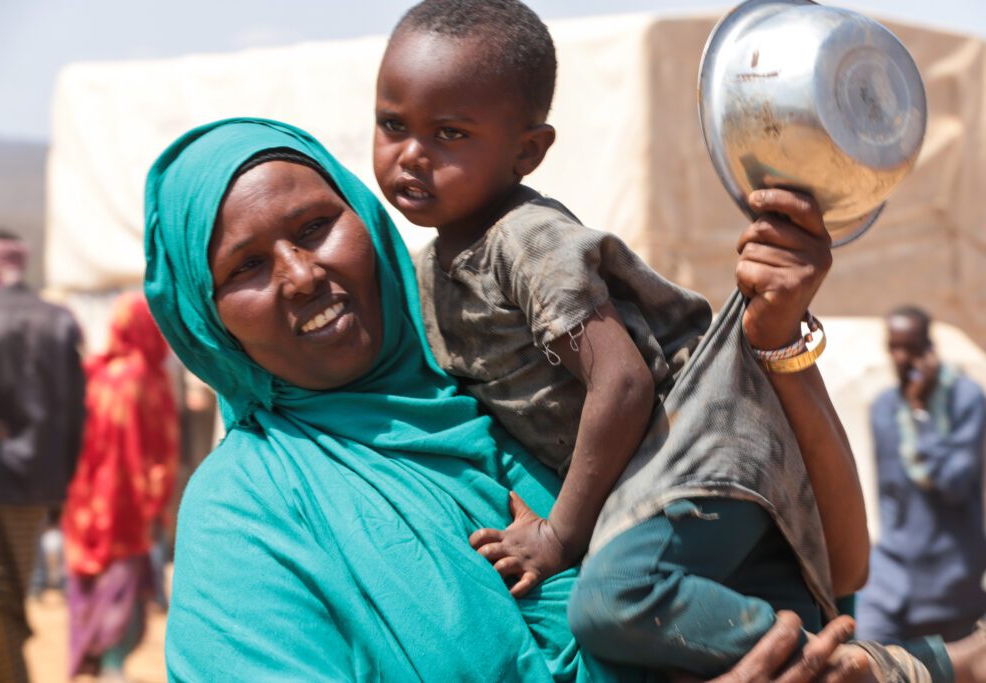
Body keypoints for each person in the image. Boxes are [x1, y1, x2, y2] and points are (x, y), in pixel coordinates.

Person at [142, 117, 986, 683]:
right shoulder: (246, 514)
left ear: (364, 216)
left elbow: (838, 564)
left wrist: (779, 344)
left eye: (315, 226)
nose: (301, 274)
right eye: (244, 269)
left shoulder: (503, 385)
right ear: (206, 321)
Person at [373, 1, 868, 676]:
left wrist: (559, 534)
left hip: (698, 446)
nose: (411, 155)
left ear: (528, 151)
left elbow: (625, 383)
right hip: (663, 485)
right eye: (393, 125)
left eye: (450, 134)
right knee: (781, 615)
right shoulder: (432, 271)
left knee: (614, 599)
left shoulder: (526, 240)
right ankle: (918, 658)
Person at [0, 228, 86, 683]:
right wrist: (64, 484)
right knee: (8, 593)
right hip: (40, 482)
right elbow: (76, 411)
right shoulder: (58, 320)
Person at [61, 291, 178, 682]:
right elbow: (148, 451)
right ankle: (111, 662)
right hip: (127, 505)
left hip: (86, 500)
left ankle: (90, 658)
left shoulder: (98, 373)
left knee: (92, 581)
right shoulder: (143, 379)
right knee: (124, 585)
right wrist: (153, 503)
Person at [857, 306, 986, 645]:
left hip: (950, 584)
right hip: (892, 581)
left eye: (911, 348)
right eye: (894, 348)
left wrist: (920, 418)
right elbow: (888, 495)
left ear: (929, 347)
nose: (901, 358)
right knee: (868, 659)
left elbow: (955, 485)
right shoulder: (885, 407)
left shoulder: (965, 399)